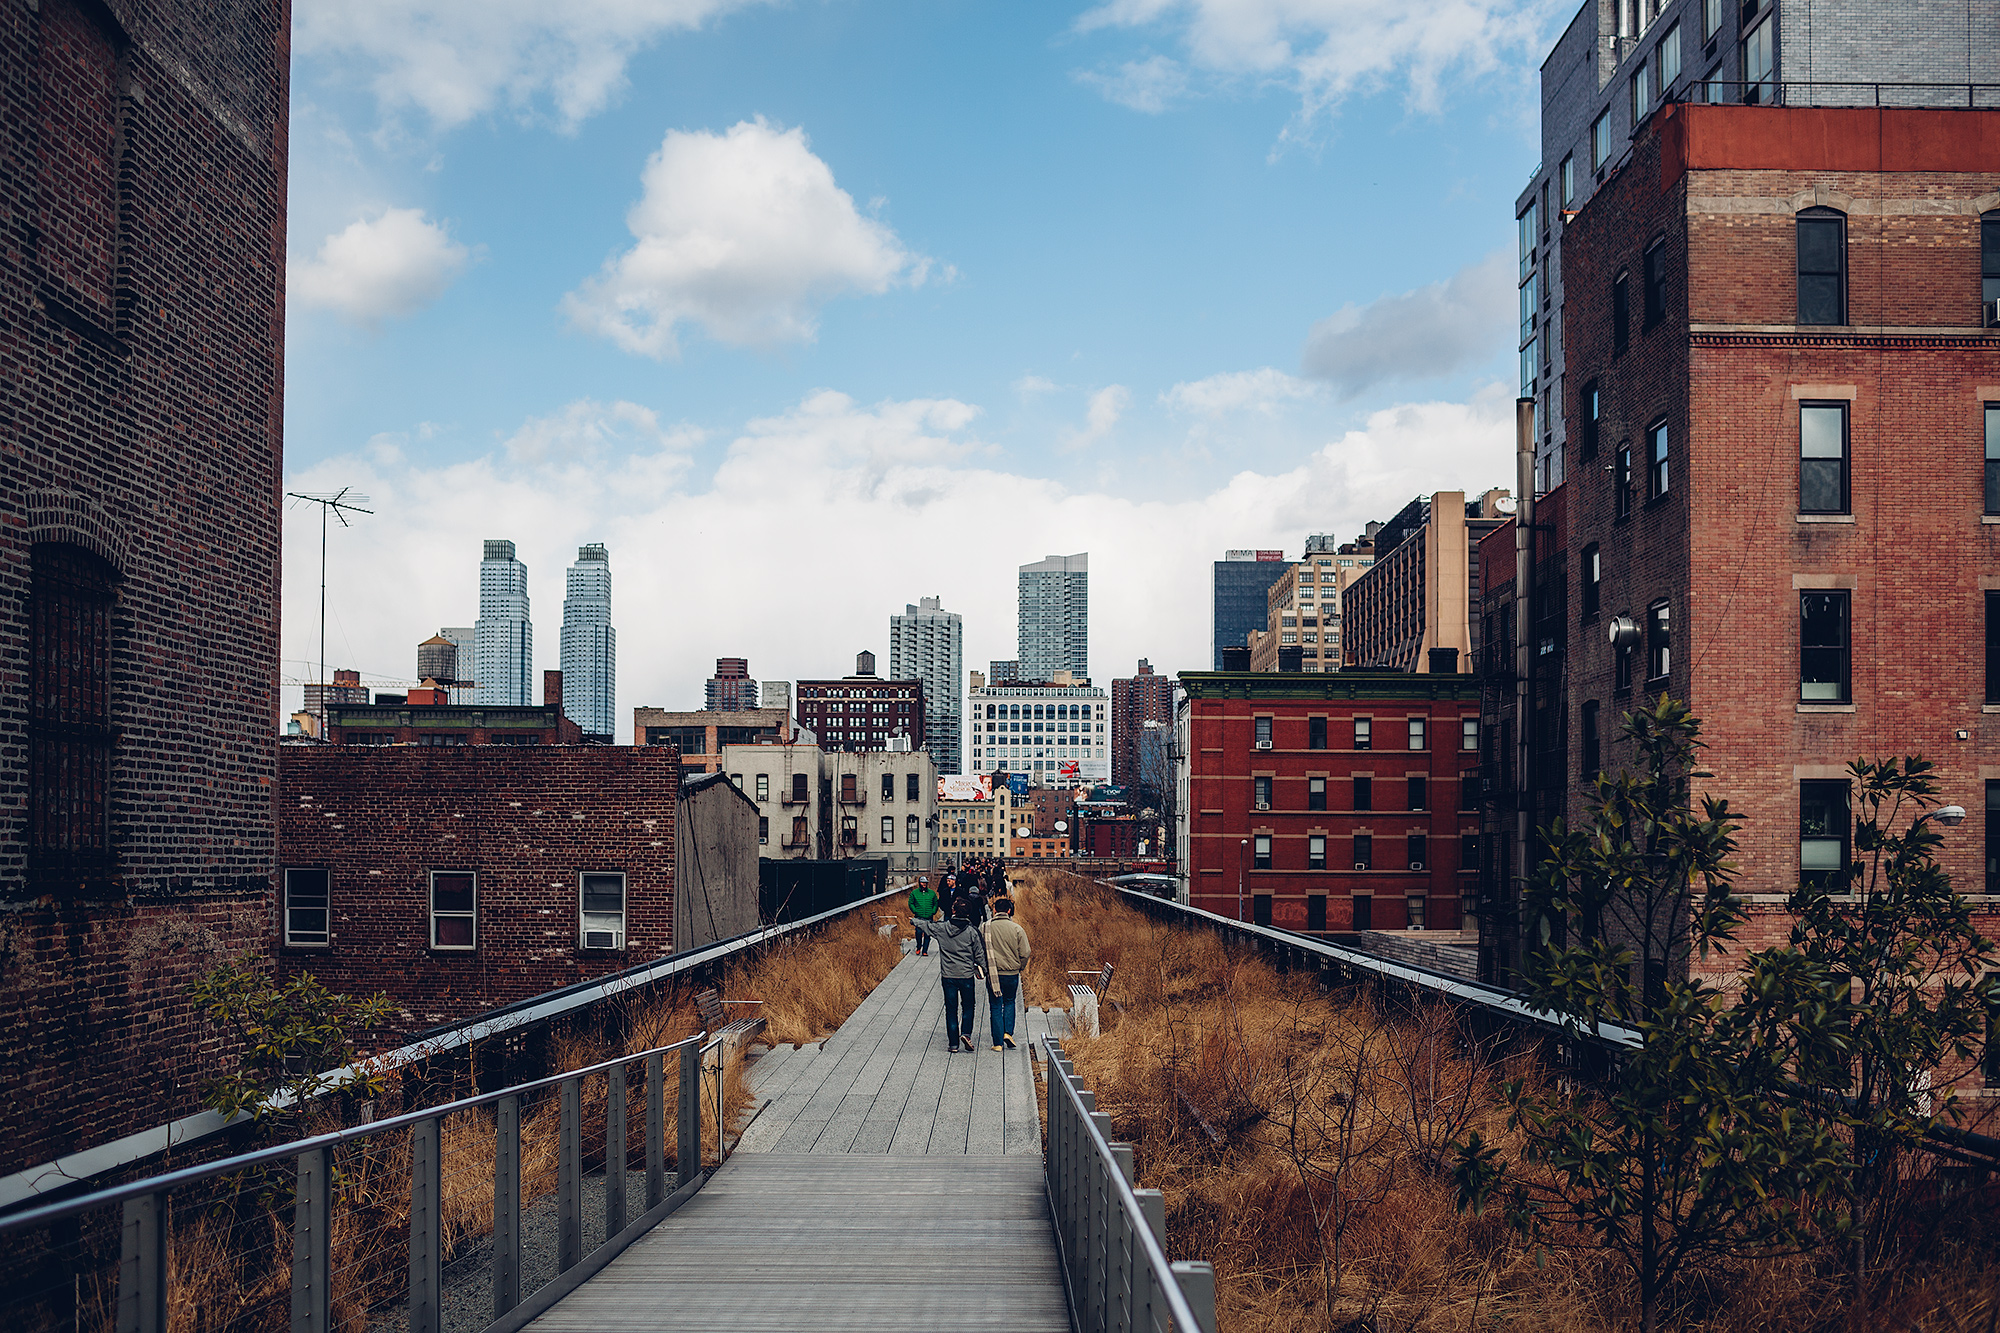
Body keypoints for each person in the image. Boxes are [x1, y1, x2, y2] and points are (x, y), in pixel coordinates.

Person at [912, 895, 989, 1052]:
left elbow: (927, 926)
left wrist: (913, 921)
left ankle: (953, 1044)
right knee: (968, 1006)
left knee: (951, 1009)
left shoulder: (942, 929)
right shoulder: (972, 931)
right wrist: (983, 969)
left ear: (953, 911)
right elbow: (980, 953)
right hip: (966, 975)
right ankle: (966, 1033)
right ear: (968, 913)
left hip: (948, 976)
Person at [981, 896, 1030, 1051]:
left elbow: (979, 951)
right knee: (1009, 1001)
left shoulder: (985, 927)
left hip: (993, 974)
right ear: (1009, 911)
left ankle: (997, 1044)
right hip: (1011, 974)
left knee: (995, 1006)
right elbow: (1025, 952)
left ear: (994, 910)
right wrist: (1019, 967)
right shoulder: (1017, 929)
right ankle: (1008, 1033)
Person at [906, 877, 938, 956]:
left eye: (925, 883)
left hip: (929, 917)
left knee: (927, 934)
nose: (924, 884)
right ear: (919, 883)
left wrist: (933, 911)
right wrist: (915, 910)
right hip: (919, 917)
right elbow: (911, 903)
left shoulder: (932, 893)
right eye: (922, 882)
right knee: (919, 933)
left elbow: (936, 903)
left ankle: (925, 950)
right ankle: (919, 946)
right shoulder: (914, 893)